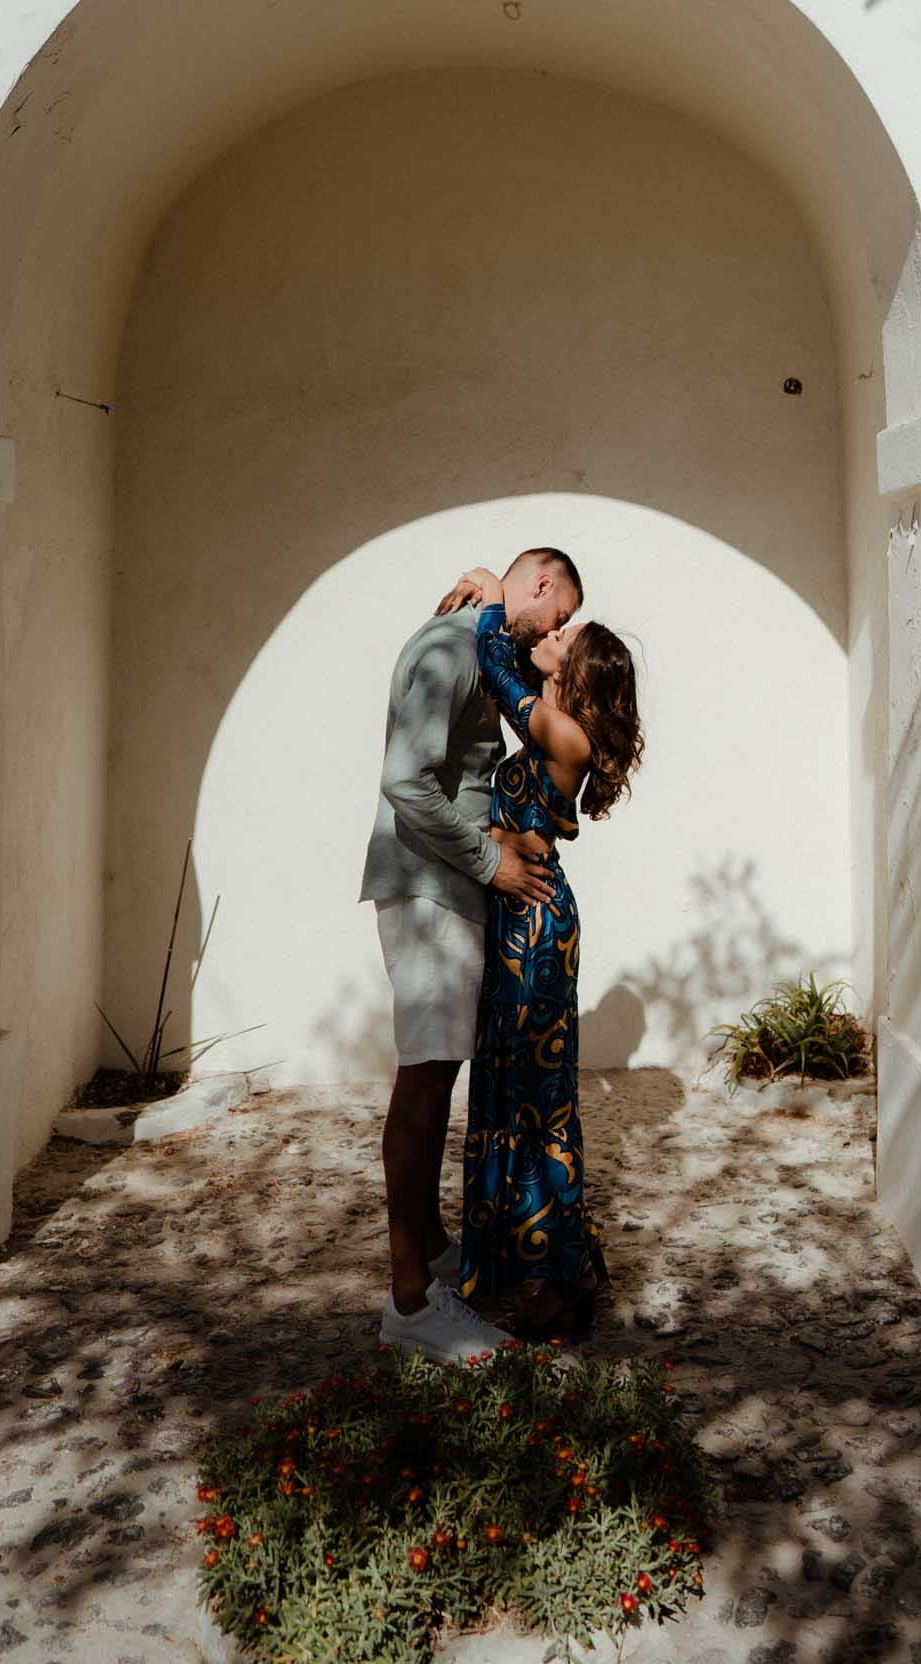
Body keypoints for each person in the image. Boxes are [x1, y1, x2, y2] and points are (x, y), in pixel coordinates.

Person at [363, 546, 582, 1364]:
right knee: (422, 1084)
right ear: (540, 586)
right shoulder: (454, 649)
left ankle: (436, 1255)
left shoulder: (471, 639)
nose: (547, 636)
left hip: (444, 889)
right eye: (555, 618)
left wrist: (490, 595)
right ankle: (410, 1301)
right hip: (428, 892)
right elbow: (405, 781)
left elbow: (455, 775)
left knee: (438, 1075)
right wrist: (493, 860)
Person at [436, 563, 644, 1338]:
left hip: (535, 927)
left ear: (579, 669)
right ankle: (546, 1261)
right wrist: (497, 834)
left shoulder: (562, 731)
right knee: (517, 1087)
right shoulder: (555, 715)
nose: (552, 635)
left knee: (533, 1102)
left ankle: (560, 1285)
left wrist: (493, 593)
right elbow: (516, 669)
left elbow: (495, 664)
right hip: (525, 915)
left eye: (567, 636)